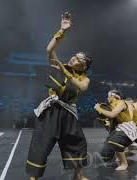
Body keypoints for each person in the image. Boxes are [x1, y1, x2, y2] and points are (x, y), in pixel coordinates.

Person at [26, 12, 92, 180]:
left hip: (69, 112)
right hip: (51, 110)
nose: (74, 59)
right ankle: (33, 177)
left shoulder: (84, 78)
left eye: (79, 59)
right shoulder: (60, 65)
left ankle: (78, 175)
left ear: (83, 67)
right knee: (42, 143)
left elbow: (81, 87)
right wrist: (62, 31)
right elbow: (49, 50)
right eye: (75, 56)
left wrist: (66, 73)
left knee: (77, 142)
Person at [94, 90, 137, 171]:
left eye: (108, 96)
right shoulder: (111, 106)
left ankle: (124, 163)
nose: (107, 98)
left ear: (113, 96)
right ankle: (119, 156)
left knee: (115, 140)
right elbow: (110, 119)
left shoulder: (121, 103)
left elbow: (112, 114)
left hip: (127, 127)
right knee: (105, 155)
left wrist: (99, 108)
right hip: (119, 128)